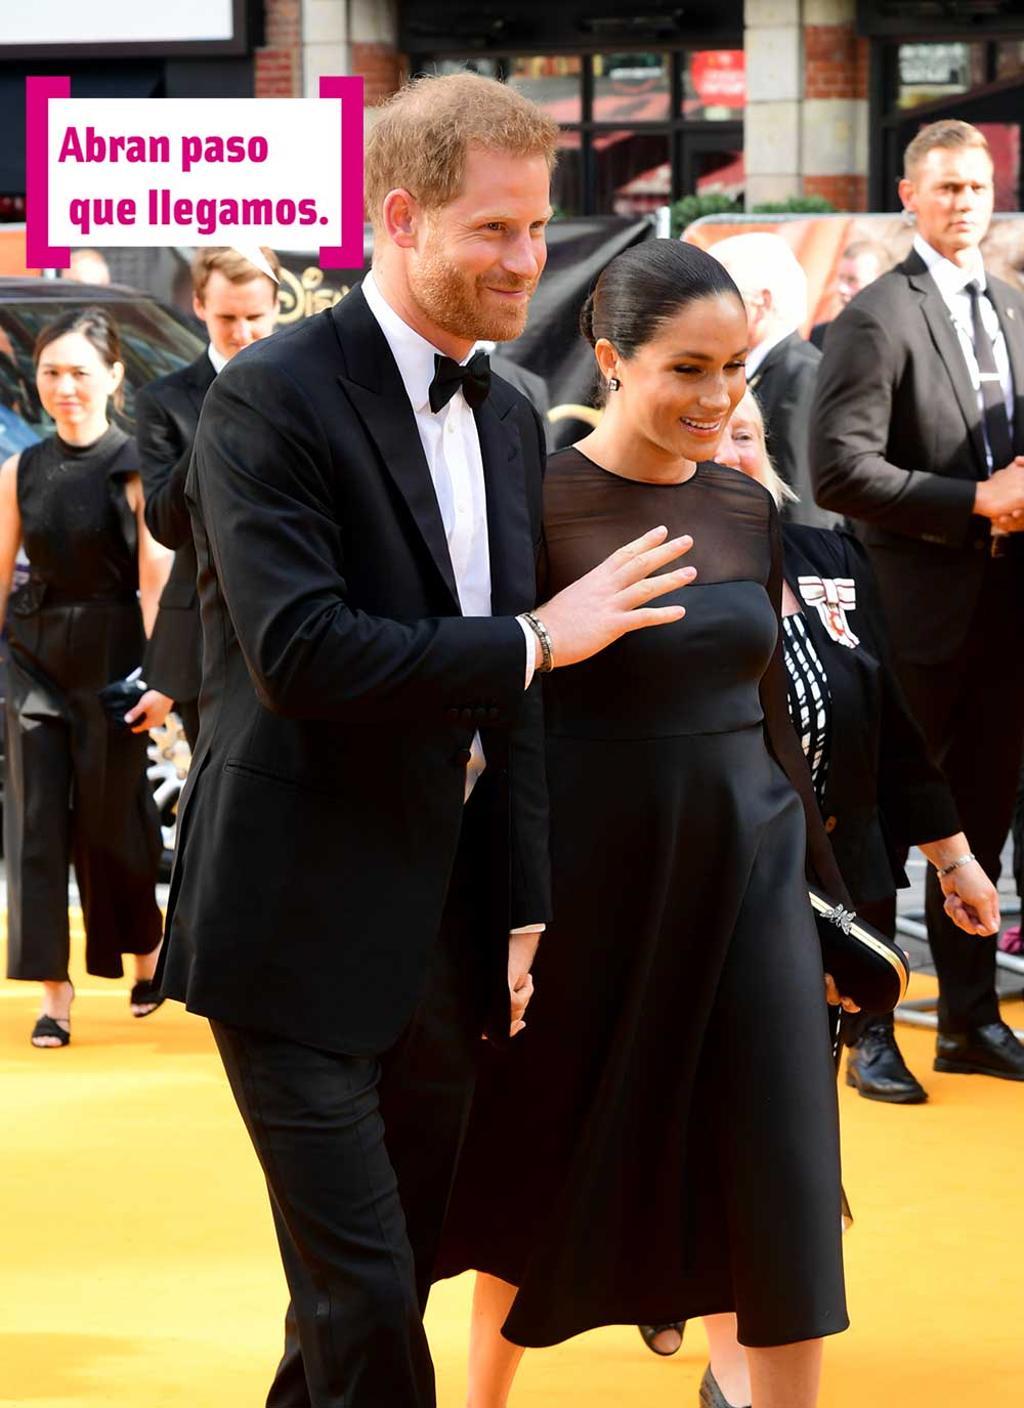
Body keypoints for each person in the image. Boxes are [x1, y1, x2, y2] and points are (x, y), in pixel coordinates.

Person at [156, 73, 696, 1408]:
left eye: (539, 230)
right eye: (495, 232)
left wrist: (519, 910)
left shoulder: (510, 410)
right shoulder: (268, 398)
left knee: (371, 1292)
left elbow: (513, 711)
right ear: (402, 219)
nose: (530, 260)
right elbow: (299, 653)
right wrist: (533, 637)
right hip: (287, 924)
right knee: (367, 1305)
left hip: (443, 938)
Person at [435, 238, 862, 1408]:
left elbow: (773, 714)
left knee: (774, 1168)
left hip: (752, 877)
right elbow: (503, 721)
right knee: (547, 1151)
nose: (717, 399)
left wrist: (826, 908)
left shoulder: (743, 503)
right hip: (590, 883)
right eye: (686, 368)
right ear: (611, 356)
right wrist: (513, 906)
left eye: (734, 368)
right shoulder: (533, 504)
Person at [635, 391, 1001, 1408]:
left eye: (746, 427)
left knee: (786, 1148)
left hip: (836, 906)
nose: (730, 441)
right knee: (732, 1141)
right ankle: (726, 1350)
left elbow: (884, 714)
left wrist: (954, 855)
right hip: (703, 903)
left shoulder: (831, 554)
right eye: (706, 425)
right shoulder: (645, 561)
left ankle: (721, 1316)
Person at [812, 118, 1024, 1081]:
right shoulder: (875, 316)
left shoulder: (1015, 309)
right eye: (944, 188)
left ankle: (970, 1023)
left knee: (982, 819)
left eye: (977, 187)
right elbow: (838, 470)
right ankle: (871, 1031)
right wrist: (972, 503)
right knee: (891, 825)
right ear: (908, 196)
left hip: (1005, 620)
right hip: (909, 620)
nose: (964, 204)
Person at [0, 308, 168, 1046]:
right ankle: (53, 993)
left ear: (114, 377)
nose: (64, 387)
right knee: (35, 822)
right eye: (50, 373)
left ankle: (145, 953)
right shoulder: (19, 469)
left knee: (112, 822)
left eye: (79, 372)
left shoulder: (135, 466)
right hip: (32, 655)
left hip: (112, 660)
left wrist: (161, 678)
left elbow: (156, 583)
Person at [125, 246, 281, 749]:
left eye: (255, 316)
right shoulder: (164, 401)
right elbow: (165, 525)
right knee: (218, 807)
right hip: (203, 637)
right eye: (227, 318)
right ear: (198, 306)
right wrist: (222, 411)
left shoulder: (311, 389)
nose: (242, 333)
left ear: (278, 306)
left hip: (298, 622)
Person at [711, 232, 835, 529]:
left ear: (762, 302)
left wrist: (797, 567)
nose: (709, 312)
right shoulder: (755, 368)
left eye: (720, 298)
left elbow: (801, 490)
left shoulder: (804, 373)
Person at [809, 239, 885, 350]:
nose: (842, 288)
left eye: (852, 280)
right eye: (841, 278)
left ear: (879, 282)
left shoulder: (892, 340)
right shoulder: (821, 336)